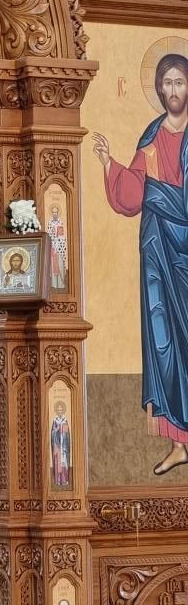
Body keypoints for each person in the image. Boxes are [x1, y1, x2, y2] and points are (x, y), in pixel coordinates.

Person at [92, 53, 188, 475]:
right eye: (166, 83)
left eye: (179, 82)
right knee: (165, 339)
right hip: (159, 253)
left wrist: (163, 194)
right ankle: (178, 443)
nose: (173, 90)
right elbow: (132, 194)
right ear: (158, 89)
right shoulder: (151, 135)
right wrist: (109, 163)